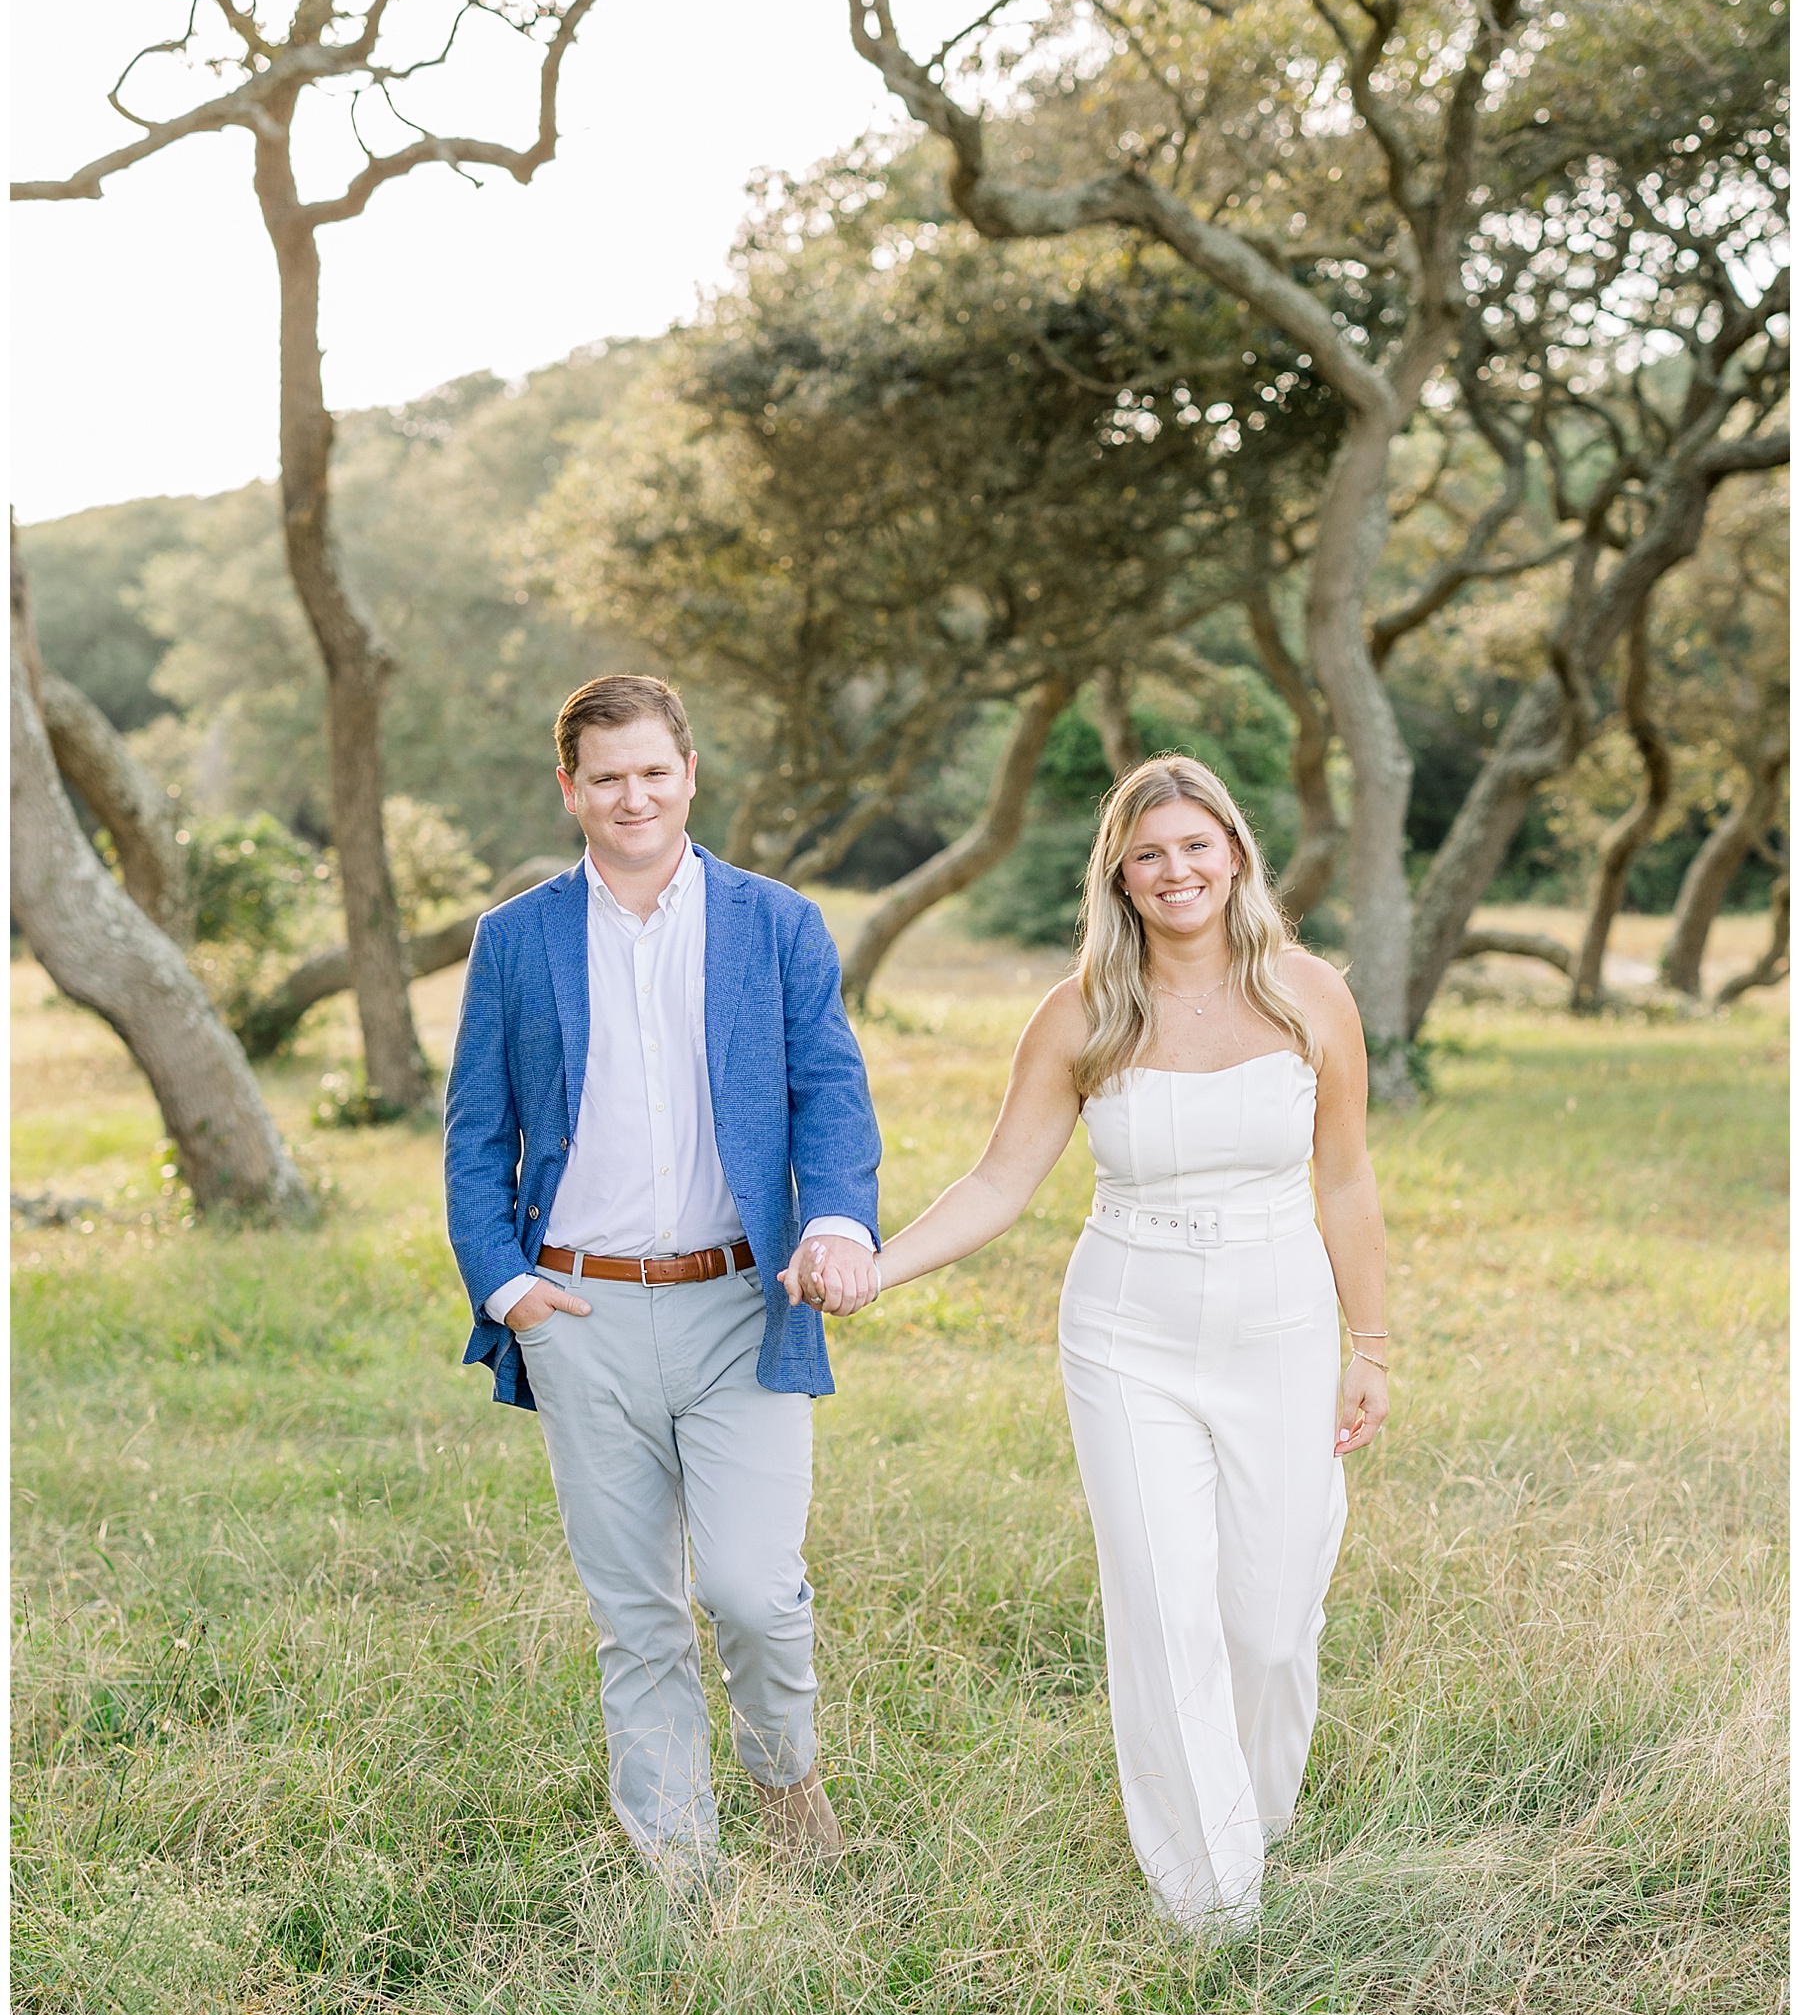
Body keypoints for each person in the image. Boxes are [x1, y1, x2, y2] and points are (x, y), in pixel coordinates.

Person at [789, 754, 1388, 1933]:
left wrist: (1370, 1345)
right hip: (1129, 1330)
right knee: (1165, 1611)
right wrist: (874, 1267)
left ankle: (1255, 1818)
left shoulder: (1312, 994)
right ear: (1121, 871)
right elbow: (1000, 1179)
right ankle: (1212, 1898)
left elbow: (1349, 1178)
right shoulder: (1082, 1011)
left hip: (1281, 1322)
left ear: (1235, 854)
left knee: (1270, 1625)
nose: (1177, 872)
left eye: (1196, 846)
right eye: (1150, 852)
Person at [444, 673, 881, 1892]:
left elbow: (830, 1093)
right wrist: (507, 1286)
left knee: (750, 1586)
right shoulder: (517, 936)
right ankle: (681, 1875)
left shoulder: (775, 922)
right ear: (570, 786)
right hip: (577, 1312)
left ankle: (787, 1776)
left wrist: (839, 1217)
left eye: (653, 769)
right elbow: (477, 1131)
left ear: (689, 771)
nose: (632, 794)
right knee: (635, 1609)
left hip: (746, 1303)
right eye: (606, 774)